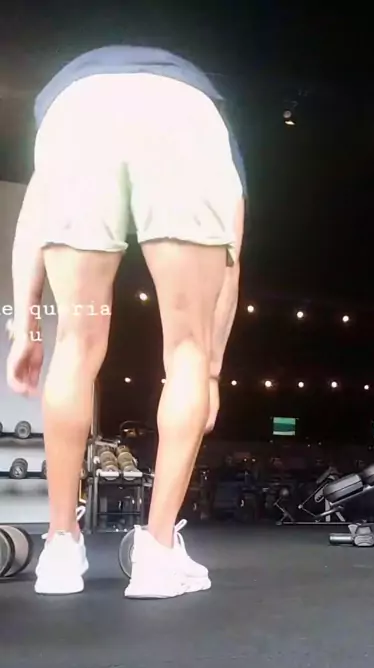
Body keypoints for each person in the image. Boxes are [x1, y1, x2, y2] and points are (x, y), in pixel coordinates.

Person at [6, 45, 246, 598]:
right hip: (184, 118)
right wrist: (211, 371)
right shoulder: (204, 109)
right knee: (186, 350)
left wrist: (25, 326)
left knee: (74, 343)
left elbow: (34, 215)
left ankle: (60, 548)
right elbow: (231, 258)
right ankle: (157, 554)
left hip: (76, 111)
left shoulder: (72, 96)